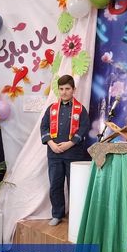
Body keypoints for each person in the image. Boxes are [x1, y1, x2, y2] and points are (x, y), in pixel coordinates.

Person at [40, 75, 90, 226]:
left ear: (74, 89)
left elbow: (84, 128)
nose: (64, 92)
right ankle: (57, 214)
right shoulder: (52, 109)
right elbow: (44, 127)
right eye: (61, 89)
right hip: (54, 154)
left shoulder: (80, 109)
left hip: (74, 153)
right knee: (55, 185)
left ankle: (76, 215)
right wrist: (51, 143)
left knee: (74, 185)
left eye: (67, 89)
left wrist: (70, 143)